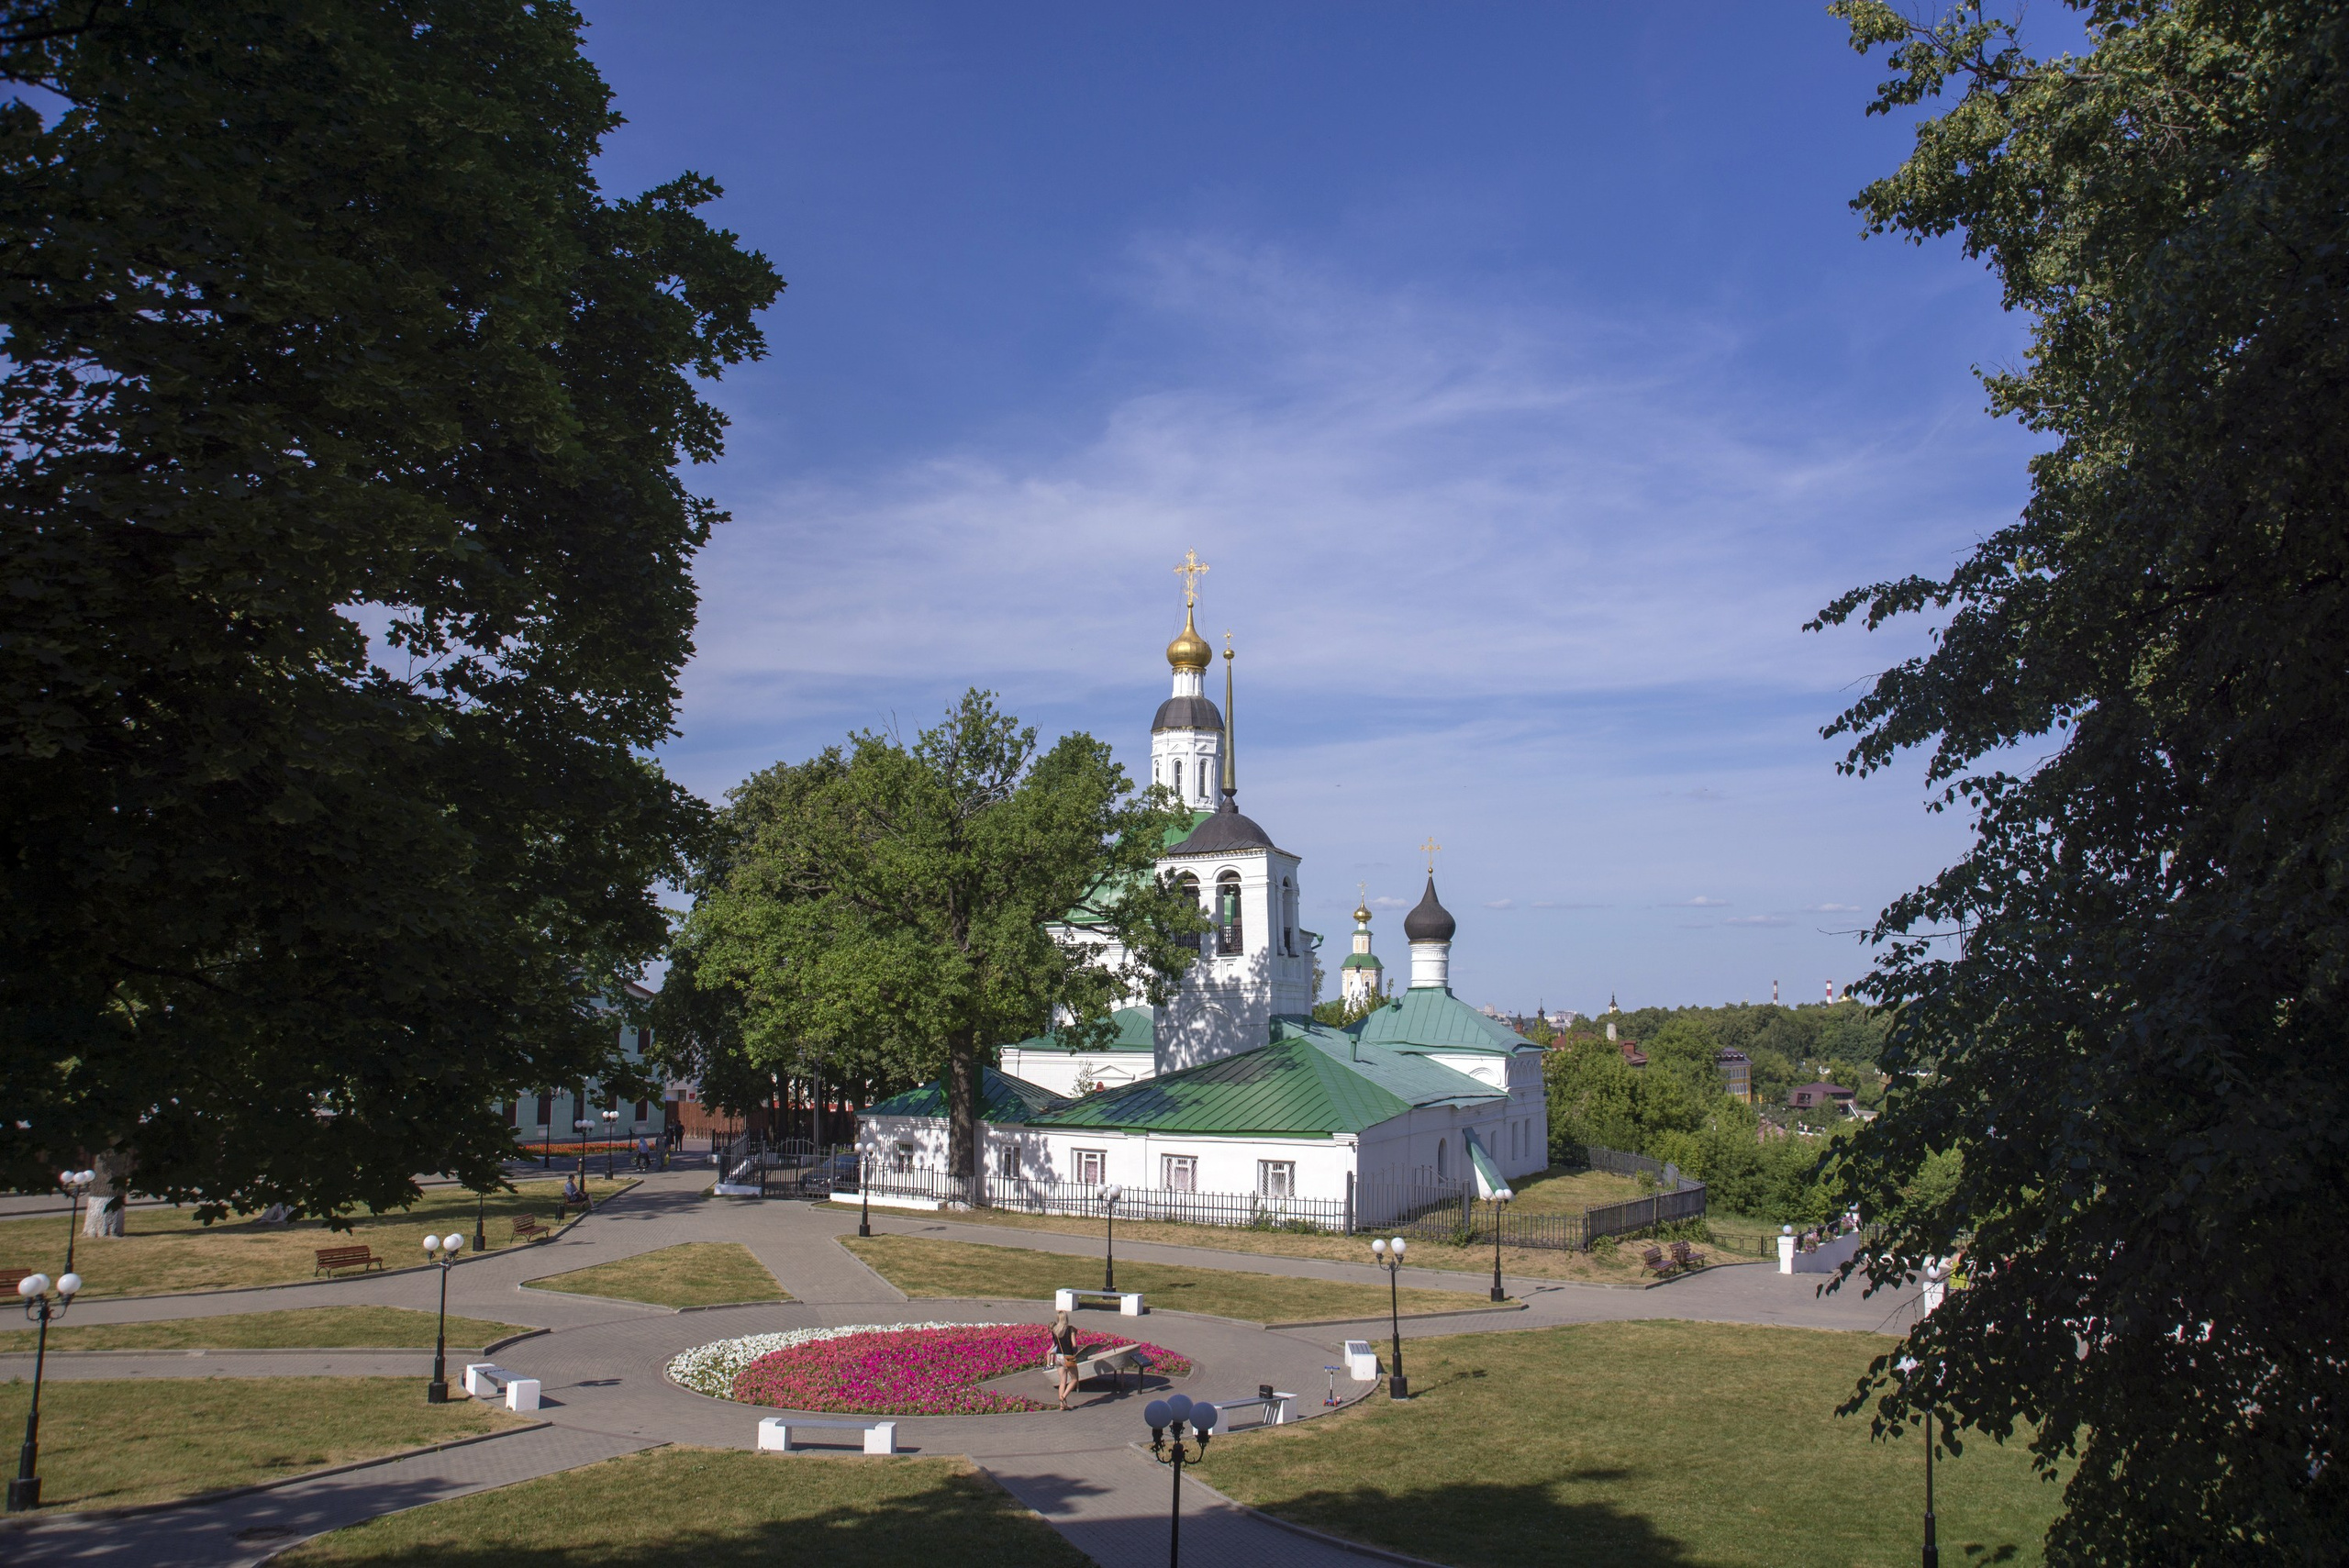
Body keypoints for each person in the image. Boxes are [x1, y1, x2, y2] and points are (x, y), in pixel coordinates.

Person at [1051, 1309, 1082, 1410]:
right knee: (1074, 1379)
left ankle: (1062, 1406)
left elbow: (1055, 1344)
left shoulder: (1055, 1330)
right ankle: (1063, 1397)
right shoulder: (1070, 1329)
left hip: (1058, 1357)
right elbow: (1074, 1345)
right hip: (1069, 1357)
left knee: (1062, 1382)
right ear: (1066, 1318)